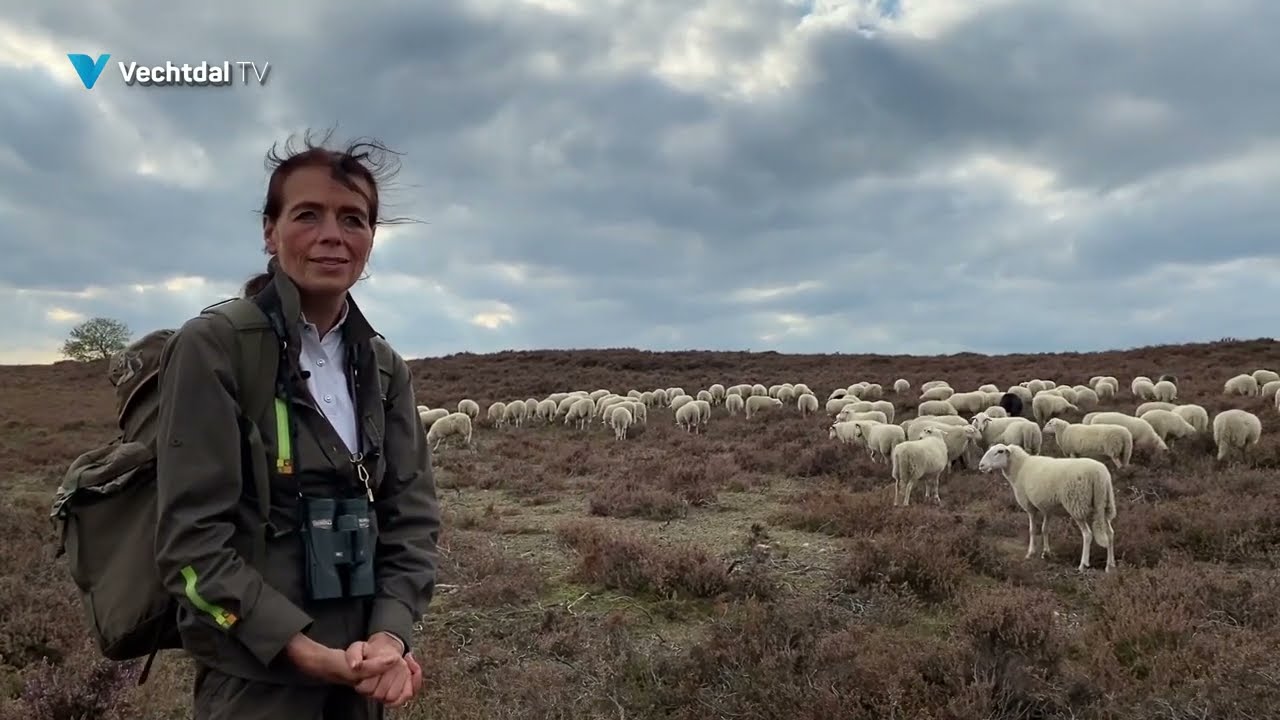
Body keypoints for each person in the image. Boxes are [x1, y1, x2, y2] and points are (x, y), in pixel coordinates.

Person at [152, 131, 441, 719]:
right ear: (270, 230)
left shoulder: (383, 368)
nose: (333, 236)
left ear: (370, 239)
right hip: (258, 683)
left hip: (361, 676)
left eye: (354, 219)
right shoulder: (215, 349)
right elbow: (190, 541)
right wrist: (300, 649)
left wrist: (389, 636)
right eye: (308, 214)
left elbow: (412, 520)